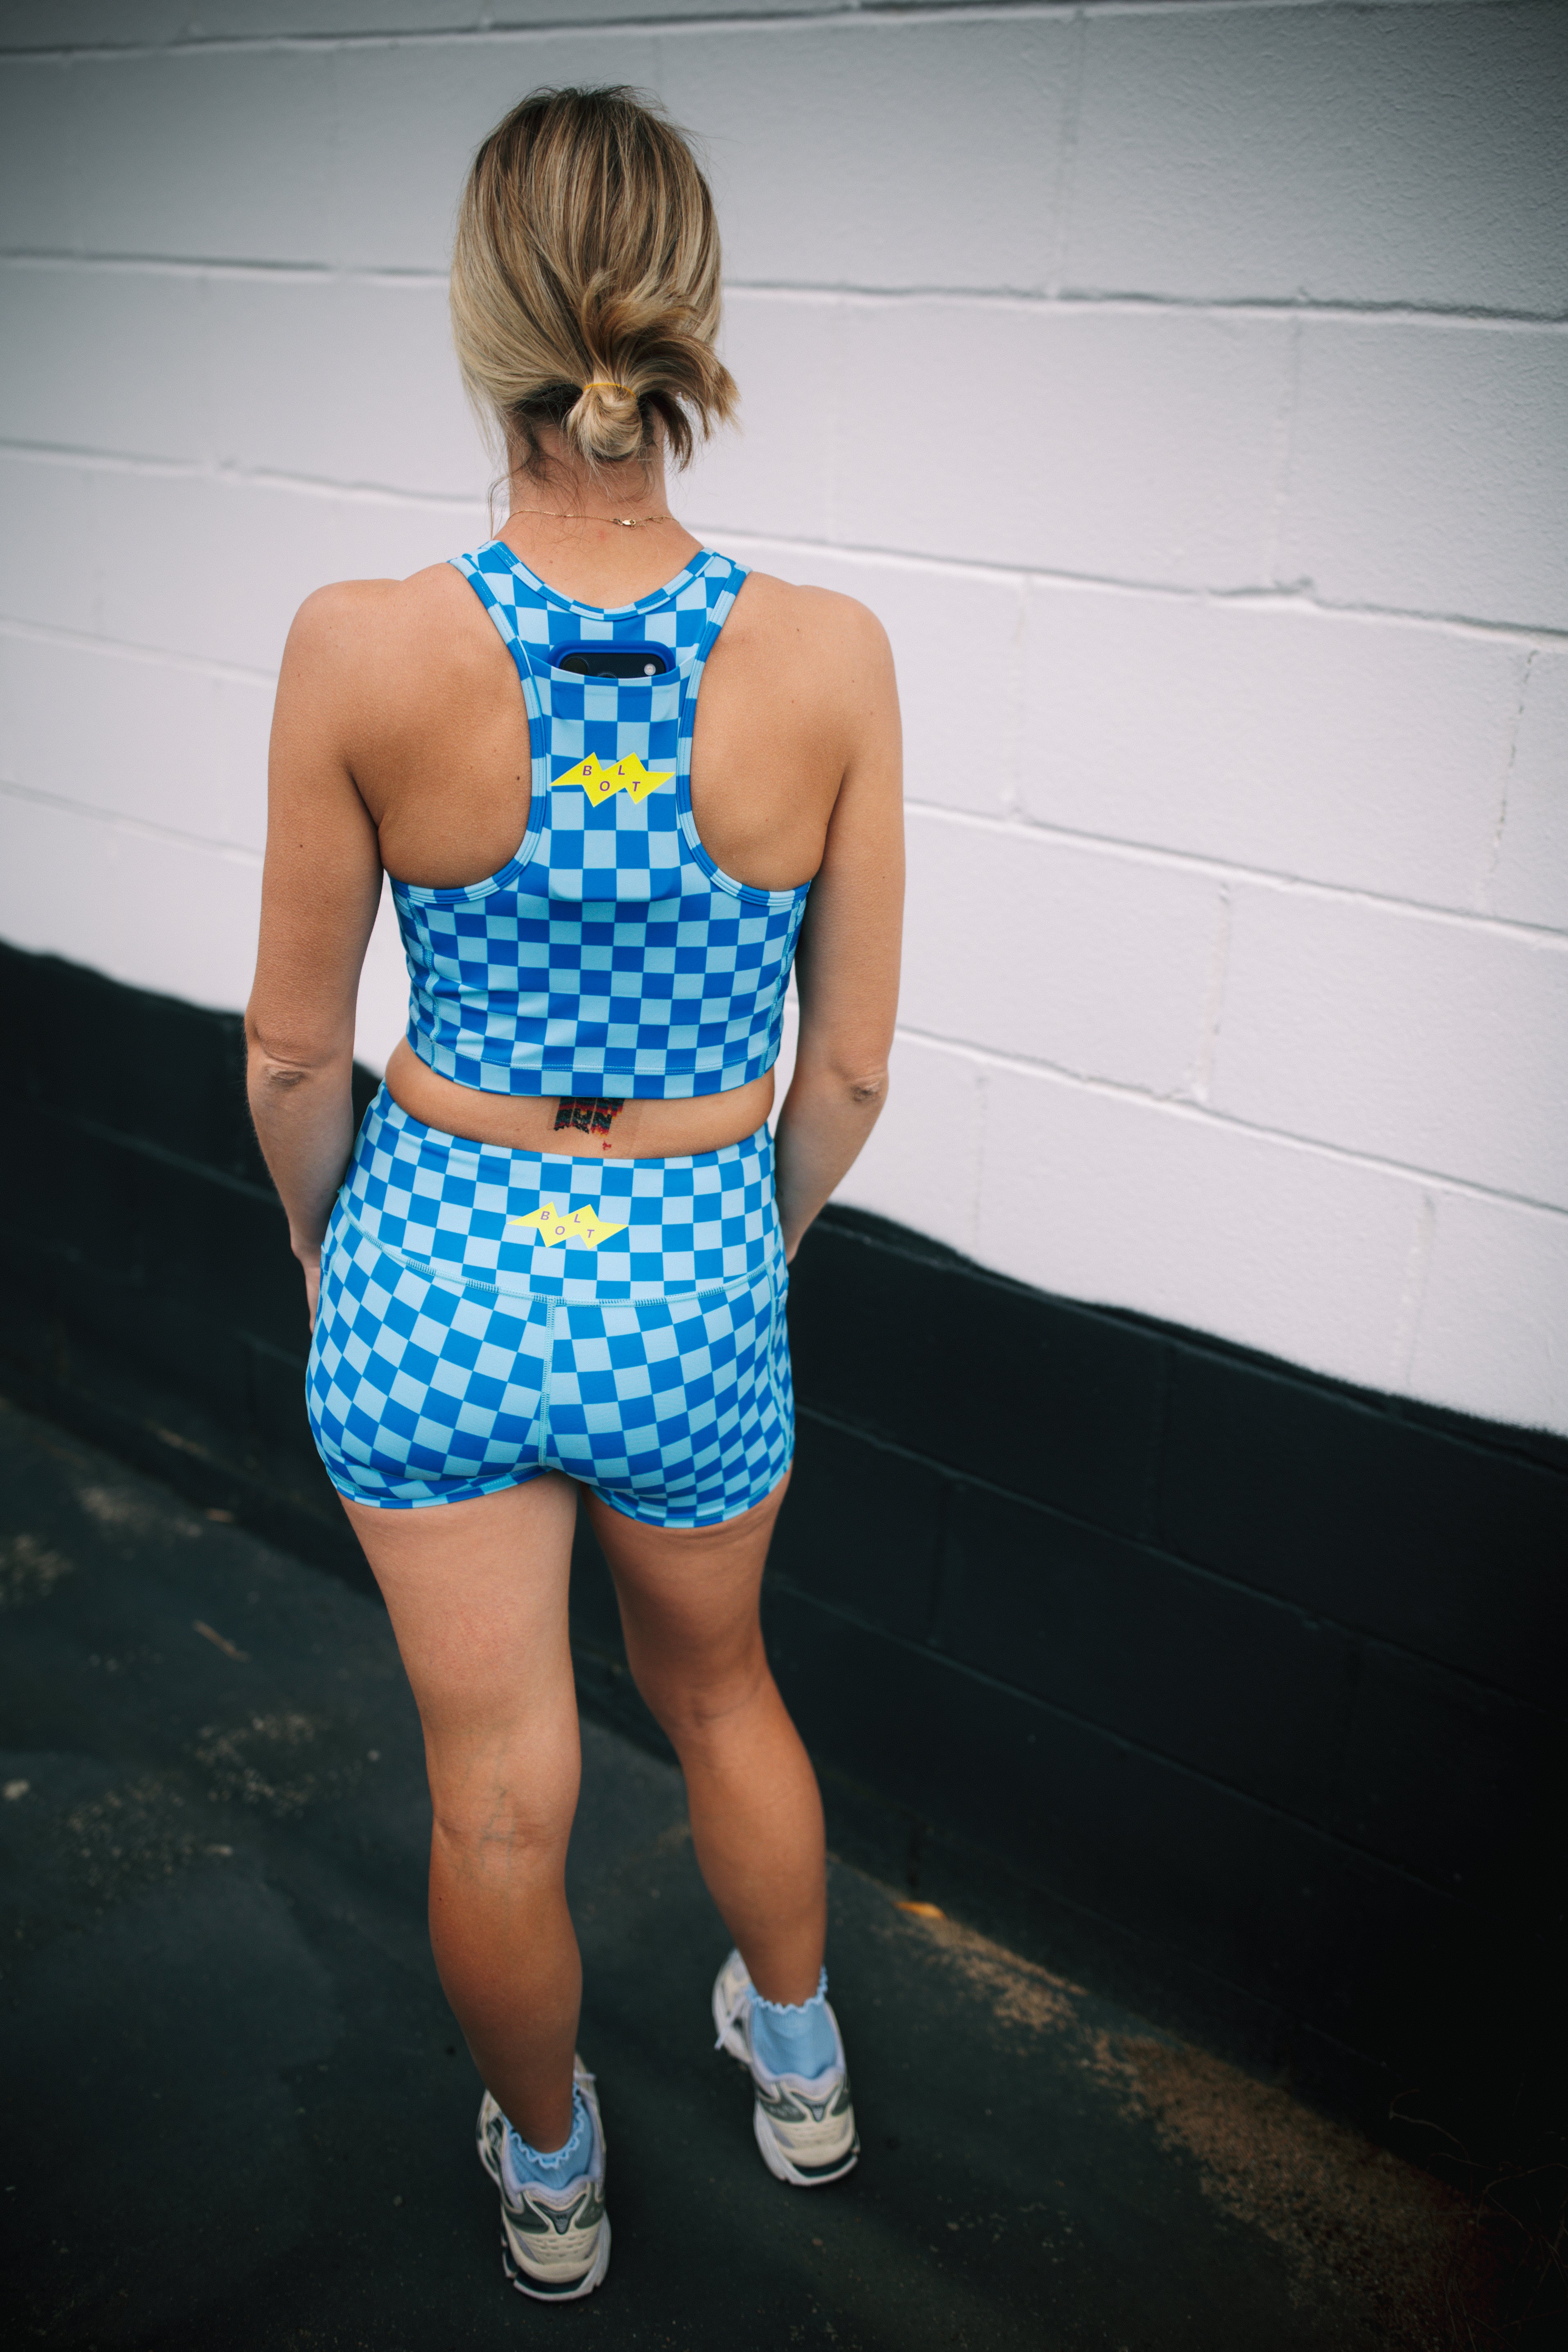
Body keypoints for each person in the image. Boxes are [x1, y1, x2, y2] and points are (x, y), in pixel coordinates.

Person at [245, 84, 902, 2302]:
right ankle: (800, 2072)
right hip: (693, 1263)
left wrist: (330, 1248)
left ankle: (552, 2182)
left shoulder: (358, 643)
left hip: (439, 1251)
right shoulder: (828, 655)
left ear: (484, 324)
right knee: (720, 1695)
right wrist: (746, 1248)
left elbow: (293, 1056)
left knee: (497, 1792)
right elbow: (851, 1071)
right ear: (686, 317)